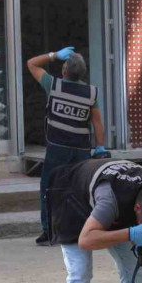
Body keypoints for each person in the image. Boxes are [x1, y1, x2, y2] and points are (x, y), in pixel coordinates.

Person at [27, 46, 106, 246]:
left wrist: (53, 55)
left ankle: (49, 231)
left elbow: (31, 63)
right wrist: (100, 147)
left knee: (49, 188)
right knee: (80, 190)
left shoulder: (54, 85)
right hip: (81, 150)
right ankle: (82, 229)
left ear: (64, 72)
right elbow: (97, 121)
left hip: (57, 148)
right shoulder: (90, 92)